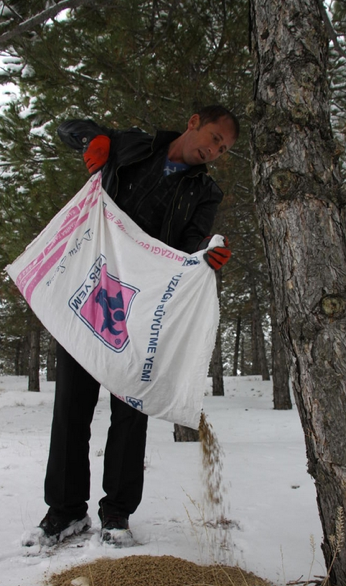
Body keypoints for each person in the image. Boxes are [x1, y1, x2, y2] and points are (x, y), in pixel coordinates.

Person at [23, 105, 239, 547]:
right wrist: (92, 140)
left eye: (223, 149)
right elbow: (70, 126)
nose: (214, 151)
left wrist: (205, 257)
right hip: (88, 292)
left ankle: (116, 514)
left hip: (140, 311)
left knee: (130, 414)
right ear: (194, 121)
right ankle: (64, 512)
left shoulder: (205, 191)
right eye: (214, 137)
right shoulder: (134, 145)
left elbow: (187, 248)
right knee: (71, 409)